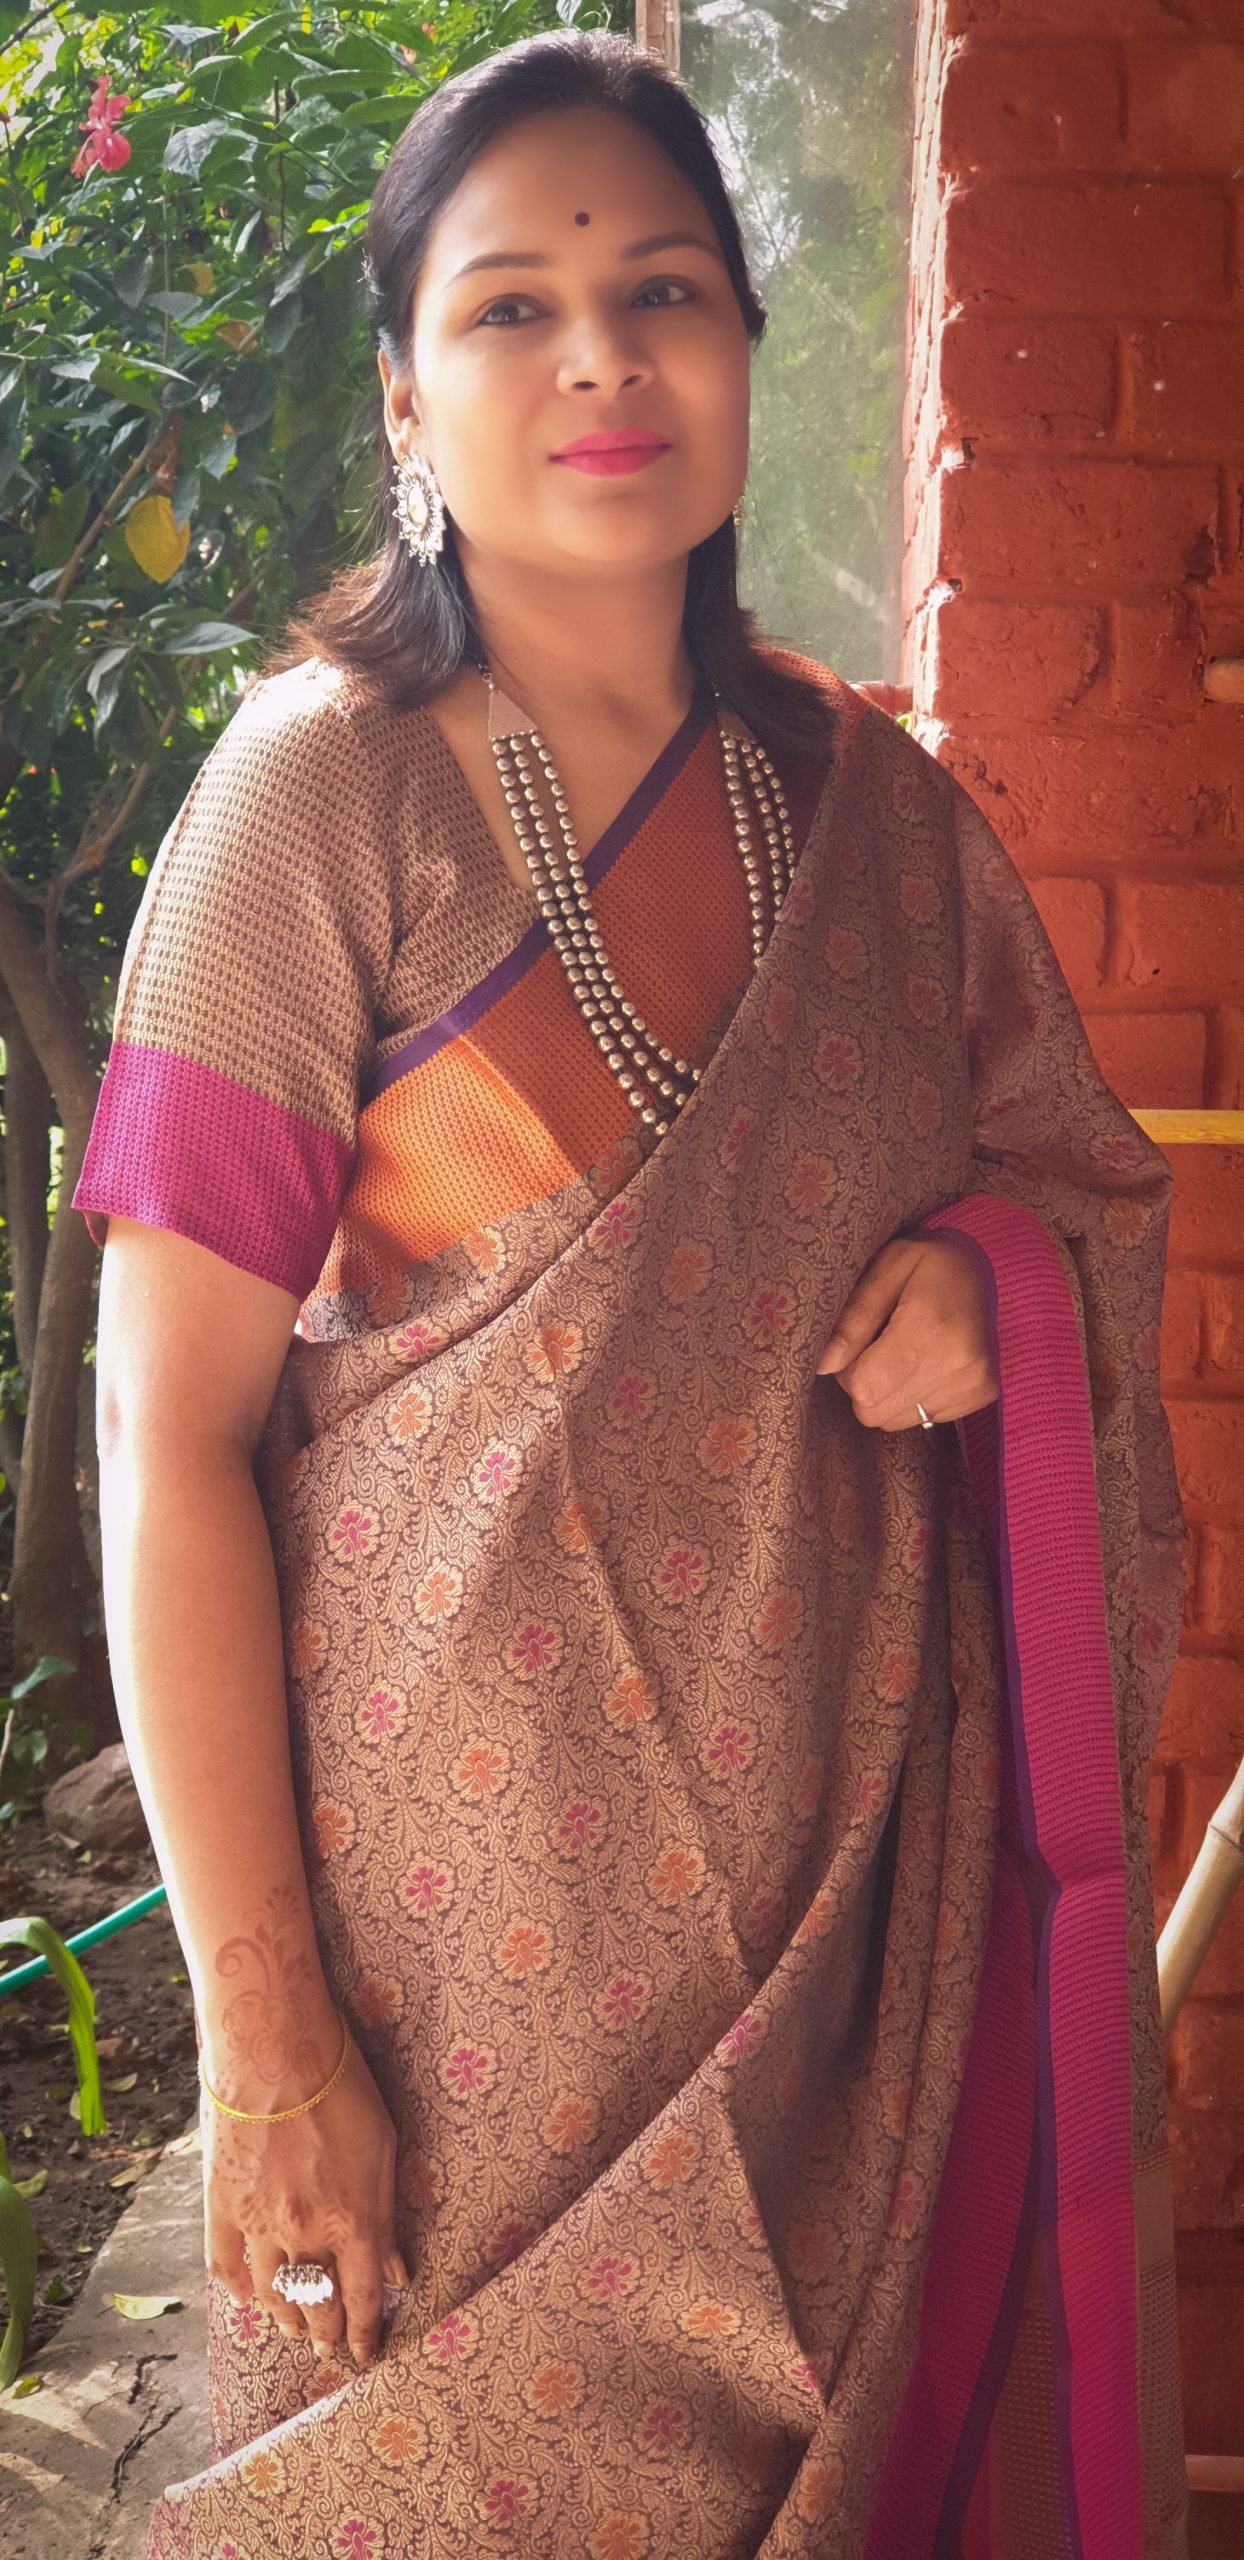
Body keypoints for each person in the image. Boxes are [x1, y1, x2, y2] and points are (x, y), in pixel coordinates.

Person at [74, 29, 1188, 2559]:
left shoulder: (881, 821)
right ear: (405, 390)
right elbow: (169, 1438)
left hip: (851, 1940)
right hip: (450, 1982)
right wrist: (267, 2025)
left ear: (742, 352)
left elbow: (1075, 1201)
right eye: (513, 304)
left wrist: (988, 1283)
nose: (600, 354)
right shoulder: (312, 798)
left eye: (663, 289)